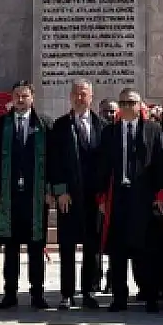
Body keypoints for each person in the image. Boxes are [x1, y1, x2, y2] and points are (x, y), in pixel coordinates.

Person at [0, 82, 49, 310]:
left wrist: (50, 190)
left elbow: (52, 162)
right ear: (11, 98)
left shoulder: (43, 124)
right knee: (10, 248)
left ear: (33, 98)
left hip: (35, 196)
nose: (21, 100)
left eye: (25, 96)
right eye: (17, 96)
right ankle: (10, 292)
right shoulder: (1, 124)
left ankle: (37, 293)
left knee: (35, 247)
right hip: (9, 197)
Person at [99, 87, 163, 312]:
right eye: (123, 103)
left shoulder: (153, 130)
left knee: (147, 250)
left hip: (144, 198)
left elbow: (160, 166)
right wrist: (101, 197)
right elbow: (102, 168)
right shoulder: (110, 133)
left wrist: (160, 196)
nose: (127, 107)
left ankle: (151, 295)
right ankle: (119, 297)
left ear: (140, 105)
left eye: (132, 103)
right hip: (118, 197)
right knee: (118, 251)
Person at [48, 79, 105, 310]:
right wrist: (60, 191)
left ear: (91, 97)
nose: (80, 98)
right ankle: (67, 293)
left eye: (84, 94)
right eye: (76, 94)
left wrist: (102, 196)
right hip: (68, 198)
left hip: (93, 197)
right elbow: (54, 161)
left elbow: (105, 163)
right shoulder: (60, 126)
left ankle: (89, 291)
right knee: (67, 245)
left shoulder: (102, 125)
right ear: (70, 97)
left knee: (92, 246)